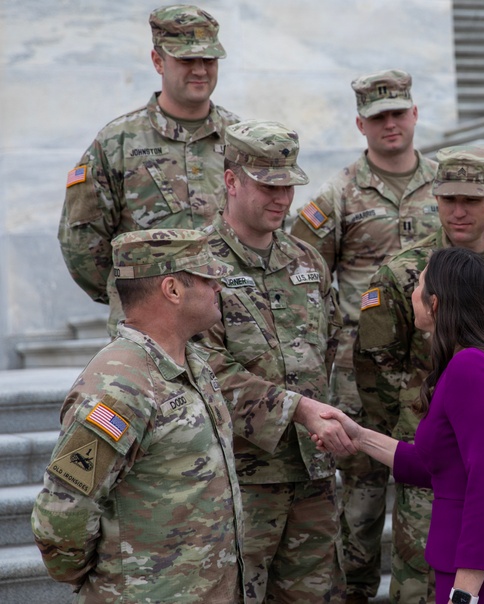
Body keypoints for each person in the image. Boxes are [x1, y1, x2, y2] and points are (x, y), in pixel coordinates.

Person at [353, 145, 484, 604]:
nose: (459, 211)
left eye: (472, 200)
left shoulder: (473, 364)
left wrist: (465, 593)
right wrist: (372, 433)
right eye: (449, 199)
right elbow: (375, 369)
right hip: (438, 463)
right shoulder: (402, 272)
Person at [315, 247, 484, 604]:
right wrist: (360, 436)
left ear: (436, 302)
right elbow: (437, 466)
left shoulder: (471, 367)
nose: (413, 293)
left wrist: (465, 593)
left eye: (419, 284)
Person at [289, 68, 440, 604]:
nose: (390, 124)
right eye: (378, 118)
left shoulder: (445, 186)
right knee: (361, 497)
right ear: (360, 124)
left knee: (433, 485)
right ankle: (354, 592)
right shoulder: (338, 194)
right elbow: (303, 275)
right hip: (362, 373)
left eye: (398, 113)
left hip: (433, 367)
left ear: (415, 114)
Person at [32, 229, 243, 602]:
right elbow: (62, 516)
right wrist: (116, 585)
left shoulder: (191, 362)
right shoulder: (119, 385)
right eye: (208, 276)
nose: (218, 286)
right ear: (172, 289)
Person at [197, 120, 345, 603]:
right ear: (231, 180)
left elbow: (329, 346)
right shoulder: (198, 266)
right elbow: (204, 372)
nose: (282, 199)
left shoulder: (308, 261)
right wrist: (296, 409)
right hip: (239, 478)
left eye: (288, 186)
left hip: (312, 474)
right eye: (268, 186)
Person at [58, 5, 239, 334]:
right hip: (151, 329)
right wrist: (130, 295)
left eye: (209, 60)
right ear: (158, 61)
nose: (200, 70)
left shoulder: (240, 138)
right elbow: (82, 245)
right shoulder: (117, 141)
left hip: (233, 323)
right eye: (187, 60)